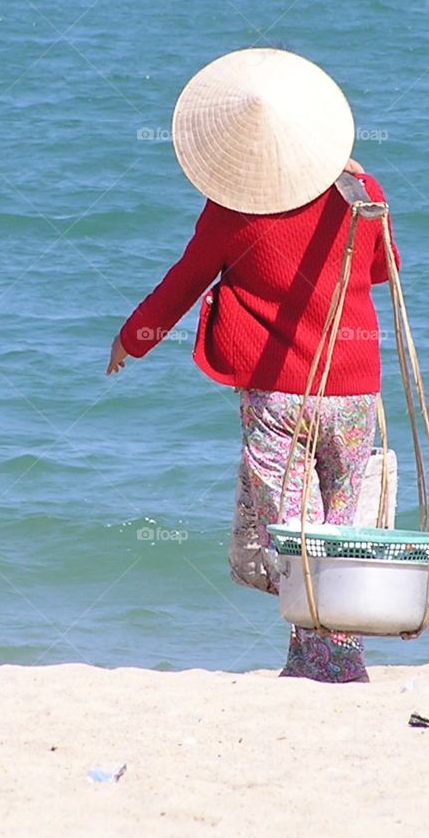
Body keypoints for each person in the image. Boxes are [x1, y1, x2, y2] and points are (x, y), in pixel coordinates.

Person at [105, 48, 398, 683]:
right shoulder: (361, 191)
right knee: (343, 520)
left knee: (295, 527)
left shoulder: (232, 211)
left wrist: (133, 339)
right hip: (352, 388)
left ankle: (321, 658)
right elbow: (381, 269)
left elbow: (183, 283)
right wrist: (360, 189)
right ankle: (328, 656)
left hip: (277, 394)